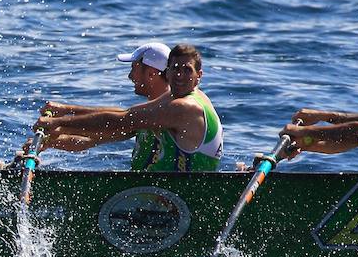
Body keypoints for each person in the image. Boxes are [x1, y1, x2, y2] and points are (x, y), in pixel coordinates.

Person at [35, 43, 223, 171]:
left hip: (178, 202)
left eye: (186, 70)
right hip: (155, 196)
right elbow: (111, 126)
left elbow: (122, 121)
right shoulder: (170, 100)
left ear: (199, 75)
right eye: (175, 68)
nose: (179, 75)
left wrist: (59, 122)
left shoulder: (183, 107)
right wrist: (55, 134)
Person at [37, 41, 171, 169]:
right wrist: (49, 142)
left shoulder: (169, 111)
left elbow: (116, 120)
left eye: (133, 69)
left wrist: (60, 124)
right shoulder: (145, 114)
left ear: (151, 74)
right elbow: (91, 139)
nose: (130, 76)